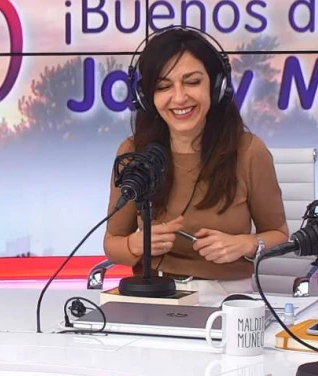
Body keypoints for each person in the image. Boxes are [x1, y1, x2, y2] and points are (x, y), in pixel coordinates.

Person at [103, 27, 289, 294]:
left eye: (192, 82)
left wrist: (246, 244)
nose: (179, 97)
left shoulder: (250, 151)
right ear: (146, 97)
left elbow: (279, 235)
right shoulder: (134, 152)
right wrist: (136, 244)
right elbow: (112, 242)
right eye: (164, 86)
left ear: (217, 86)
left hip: (227, 295)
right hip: (156, 292)